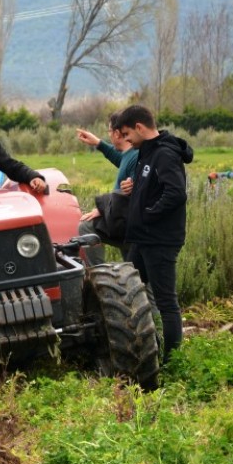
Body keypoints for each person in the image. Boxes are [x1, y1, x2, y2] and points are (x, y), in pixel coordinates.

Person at [113, 104, 194, 362]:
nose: (125, 140)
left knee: (166, 302)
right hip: (143, 239)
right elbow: (155, 186)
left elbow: (175, 194)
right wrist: (135, 186)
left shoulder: (165, 155)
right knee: (126, 289)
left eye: (126, 134)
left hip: (159, 240)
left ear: (139, 127)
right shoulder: (147, 154)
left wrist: (147, 214)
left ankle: (172, 362)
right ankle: (139, 345)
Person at [75, 113, 139, 266]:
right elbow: (118, 157)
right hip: (123, 219)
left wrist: (104, 209)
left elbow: (132, 196)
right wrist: (97, 142)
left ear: (117, 133)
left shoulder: (135, 157)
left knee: (86, 226)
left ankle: (98, 274)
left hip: (126, 223)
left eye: (109, 132)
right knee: (138, 271)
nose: (109, 136)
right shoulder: (129, 155)